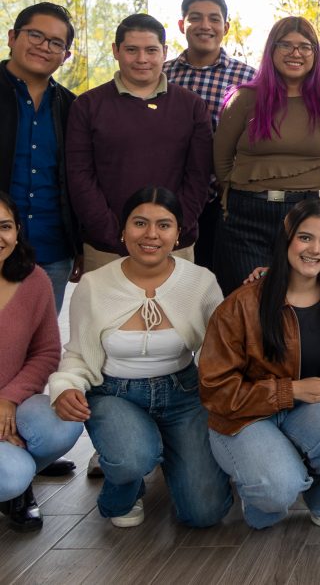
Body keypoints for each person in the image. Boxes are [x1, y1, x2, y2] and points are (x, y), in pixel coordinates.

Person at [49, 187, 231, 528]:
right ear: (123, 230)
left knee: (205, 513)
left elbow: (220, 351)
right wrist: (66, 387)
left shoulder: (201, 282)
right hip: (114, 393)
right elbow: (78, 354)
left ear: (178, 234)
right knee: (132, 458)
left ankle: (162, 451)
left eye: (164, 225)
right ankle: (124, 485)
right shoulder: (94, 285)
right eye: (140, 223)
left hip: (183, 394)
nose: (151, 234)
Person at [199, 199, 320, 529]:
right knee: (279, 489)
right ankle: (268, 489)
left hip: (307, 412)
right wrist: (290, 390)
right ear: (286, 239)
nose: (315, 249)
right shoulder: (242, 304)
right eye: (305, 237)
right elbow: (216, 391)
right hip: (244, 418)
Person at [213, 16, 320, 295]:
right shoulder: (244, 98)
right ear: (271, 50)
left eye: (305, 46)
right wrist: (238, 198)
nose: (295, 53)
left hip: (305, 215)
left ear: (315, 53)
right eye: (285, 45)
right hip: (244, 219)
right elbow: (221, 161)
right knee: (248, 303)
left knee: (298, 303)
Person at [66, 14, 212, 273]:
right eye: (132, 50)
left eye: (151, 50)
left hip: (175, 247)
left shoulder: (192, 106)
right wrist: (116, 235)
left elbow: (198, 178)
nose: (142, 59)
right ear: (116, 51)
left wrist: (171, 230)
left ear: (164, 52)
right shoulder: (87, 105)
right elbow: (80, 177)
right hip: (107, 249)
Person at [0, 191, 83, 531]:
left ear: (18, 230)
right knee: (11, 475)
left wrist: (8, 400)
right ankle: (17, 482)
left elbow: (46, 352)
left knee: (64, 421)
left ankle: (21, 477)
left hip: (14, 403)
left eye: (4, 226)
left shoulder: (34, 280)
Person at [164, 0, 256, 271]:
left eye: (214, 19)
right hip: (168, 199)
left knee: (222, 284)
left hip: (224, 203)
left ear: (226, 27)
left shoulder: (249, 79)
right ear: (182, 25)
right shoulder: (162, 75)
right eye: (196, 18)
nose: (205, 26)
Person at [1, 2, 81, 315]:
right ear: (12, 37)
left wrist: (78, 245)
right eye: (35, 35)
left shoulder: (72, 108)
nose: (44, 47)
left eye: (56, 43)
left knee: (42, 339)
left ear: (66, 55)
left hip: (53, 252)